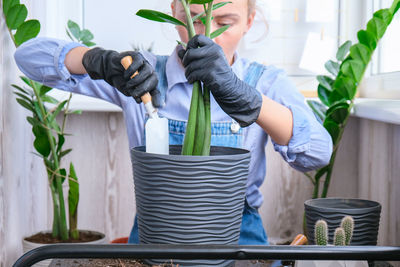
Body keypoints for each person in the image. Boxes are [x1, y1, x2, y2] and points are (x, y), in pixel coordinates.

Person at [14, 0, 332, 246]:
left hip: (238, 234)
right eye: (193, 18)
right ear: (174, 12)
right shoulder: (140, 74)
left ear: (249, 21)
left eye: (225, 22)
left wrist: (250, 101)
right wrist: (97, 60)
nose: (207, 33)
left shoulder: (264, 82)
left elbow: (319, 153)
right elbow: (28, 57)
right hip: (155, 234)